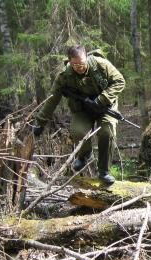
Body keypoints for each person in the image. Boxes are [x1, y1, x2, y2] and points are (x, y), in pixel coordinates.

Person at [33, 45, 125, 185]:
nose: (79, 67)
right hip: (82, 110)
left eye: (82, 64)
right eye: (75, 64)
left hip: (106, 107)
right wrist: (40, 122)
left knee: (106, 132)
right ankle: (83, 155)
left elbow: (120, 82)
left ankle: (104, 172)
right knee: (78, 132)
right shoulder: (64, 76)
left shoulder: (101, 65)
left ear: (86, 58)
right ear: (70, 62)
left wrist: (101, 99)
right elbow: (52, 100)